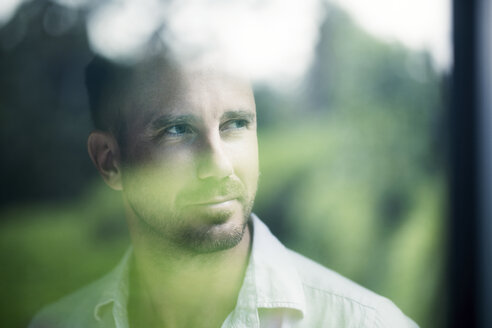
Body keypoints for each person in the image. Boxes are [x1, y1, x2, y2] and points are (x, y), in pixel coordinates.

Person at [30, 55, 418, 328]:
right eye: (177, 131)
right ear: (110, 161)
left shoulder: (367, 323)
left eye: (234, 124)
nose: (218, 164)